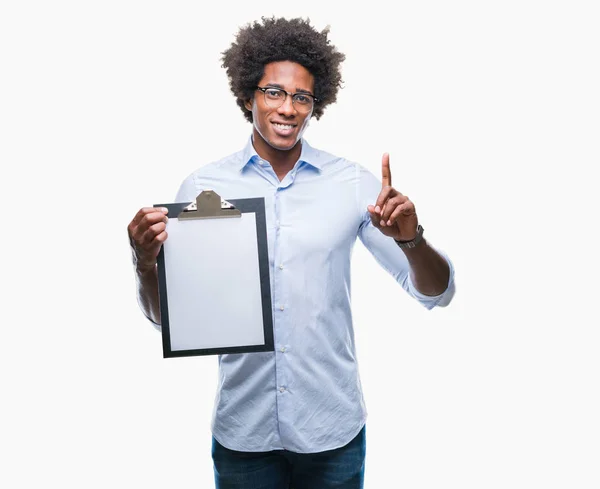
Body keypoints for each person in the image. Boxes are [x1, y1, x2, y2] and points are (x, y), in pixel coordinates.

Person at [127, 16, 455, 489]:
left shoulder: (353, 184)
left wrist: (411, 238)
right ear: (248, 96)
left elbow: (436, 293)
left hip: (332, 429)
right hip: (245, 431)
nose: (288, 108)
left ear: (315, 105)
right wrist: (144, 264)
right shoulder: (202, 188)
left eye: (302, 97)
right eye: (274, 92)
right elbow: (168, 319)